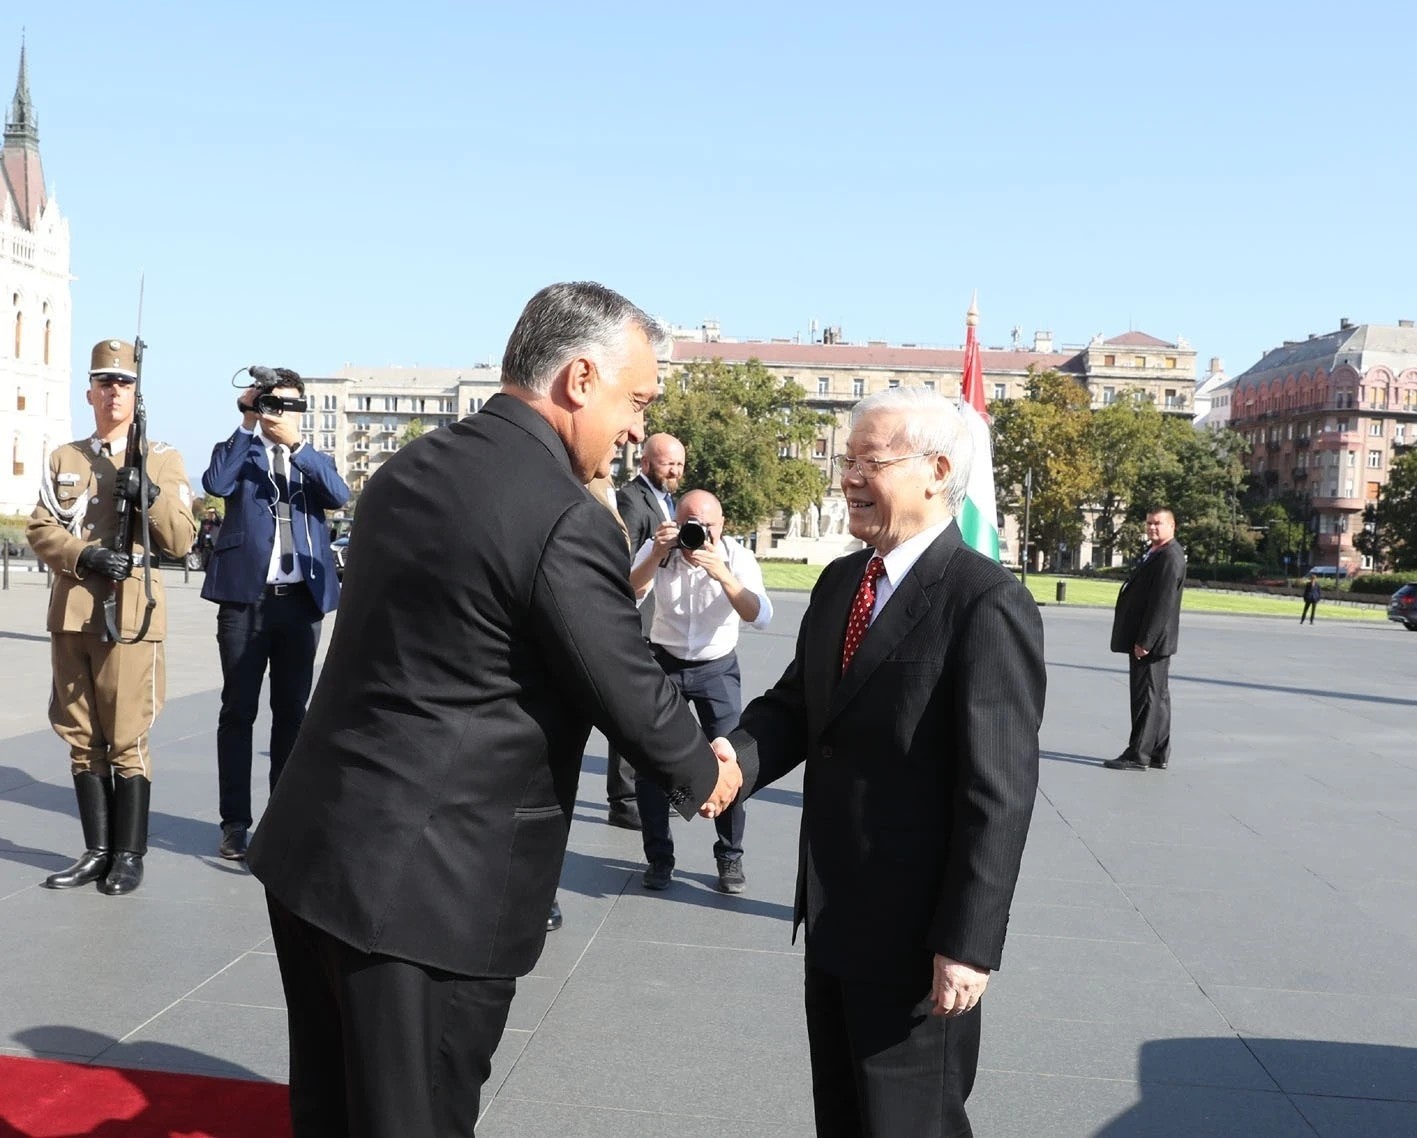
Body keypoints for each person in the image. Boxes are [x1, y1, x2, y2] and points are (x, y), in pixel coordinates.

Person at [246, 282, 741, 1137]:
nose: (635, 429)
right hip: (428, 893)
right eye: (637, 401)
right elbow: (622, 681)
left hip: (316, 851)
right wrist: (706, 769)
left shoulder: (410, 469)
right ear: (580, 378)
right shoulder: (560, 514)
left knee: (332, 1110)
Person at [723, 387, 1045, 1138]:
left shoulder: (983, 601)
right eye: (846, 460)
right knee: (843, 1118)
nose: (848, 478)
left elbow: (997, 794)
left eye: (870, 460)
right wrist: (727, 763)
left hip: (916, 942)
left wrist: (966, 944)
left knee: (910, 1124)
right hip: (834, 919)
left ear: (935, 470)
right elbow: (799, 708)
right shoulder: (842, 582)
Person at [26, 338, 196, 896]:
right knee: (81, 735)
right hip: (74, 609)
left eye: (122, 383)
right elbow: (41, 528)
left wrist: (147, 493)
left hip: (130, 612)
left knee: (126, 736)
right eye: (104, 382)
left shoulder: (163, 457)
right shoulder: (65, 458)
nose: (113, 391)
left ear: (136, 393)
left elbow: (181, 537)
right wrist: (83, 554)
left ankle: (128, 853)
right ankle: (96, 850)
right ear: (89, 392)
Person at [200, 369, 350, 860]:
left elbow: (340, 495)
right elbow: (215, 482)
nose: (277, 413)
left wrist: (298, 447)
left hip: (299, 602)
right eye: (270, 403)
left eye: (287, 404)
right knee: (238, 711)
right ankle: (234, 823)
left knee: (292, 714)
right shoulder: (240, 453)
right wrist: (246, 422)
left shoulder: (311, 458)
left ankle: (283, 819)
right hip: (246, 600)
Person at [629, 489, 773, 894]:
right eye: (690, 523)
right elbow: (628, 590)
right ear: (676, 520)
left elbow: (760, 615)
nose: (698, 534)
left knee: (730, 761)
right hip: (665, 663)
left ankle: (730, 857)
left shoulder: (736, 557)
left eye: (706, 526)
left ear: (722, 525)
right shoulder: (661, 550)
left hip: (716, 668)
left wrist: (722, 573)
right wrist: (656, 555)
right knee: (651, 763)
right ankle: (659, 858)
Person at [607, 431, 687, 829]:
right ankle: (624, 800)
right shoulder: (632, 500)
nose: (674, 470)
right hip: (638, 622)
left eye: (679, 464)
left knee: (653, 712)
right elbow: (622, 562)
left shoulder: (667, 499)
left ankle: (648, 790)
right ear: (645, 464)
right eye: (667, 463)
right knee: (632, 714)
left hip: (661, 624)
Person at [1104, 507, 1186, 772]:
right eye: (1149, 523)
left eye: (1158, 523)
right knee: (1158, 696)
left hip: (1151, 642)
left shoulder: (1169, 557)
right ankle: (1158, 751)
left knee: (1146, 697)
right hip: (1153, 640)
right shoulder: (1160, 553)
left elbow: (1162, 604)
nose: (1152, 527)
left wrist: (1146, 641)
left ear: (1172, 526)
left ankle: (1138, 754)